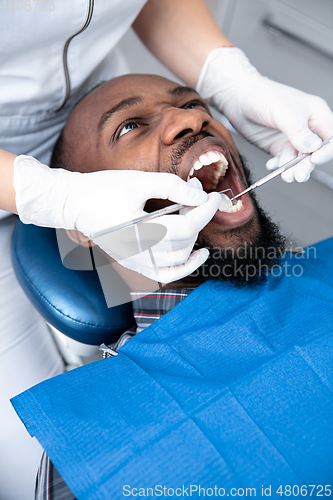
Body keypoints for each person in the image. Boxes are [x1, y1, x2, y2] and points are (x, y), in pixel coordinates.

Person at [2, 2, 333, 498]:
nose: (190, 118)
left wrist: (232, 80)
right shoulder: (94, 466)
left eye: (194, 103)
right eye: (131, 125)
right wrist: (51, 196)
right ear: (86, 229)